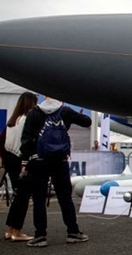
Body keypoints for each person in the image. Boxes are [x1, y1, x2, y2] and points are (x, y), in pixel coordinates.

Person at [20, 96, 91, 247]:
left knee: (39, 198)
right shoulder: (64, 110)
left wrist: (25, 161)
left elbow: (26, 138)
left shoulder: (34, 112)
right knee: (65, 197)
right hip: (60, 160)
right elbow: (87, 121)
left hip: (38, 160)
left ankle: (40, 235)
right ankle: (73, 231)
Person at [0, 92, 38, 242]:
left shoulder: (12, 122)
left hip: (10, 161)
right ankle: (17, 231)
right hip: (22, 162)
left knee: (17, 197)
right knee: (23, 197)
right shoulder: (27, 120)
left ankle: (9, 229)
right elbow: (27, 143)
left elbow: (2, 144)